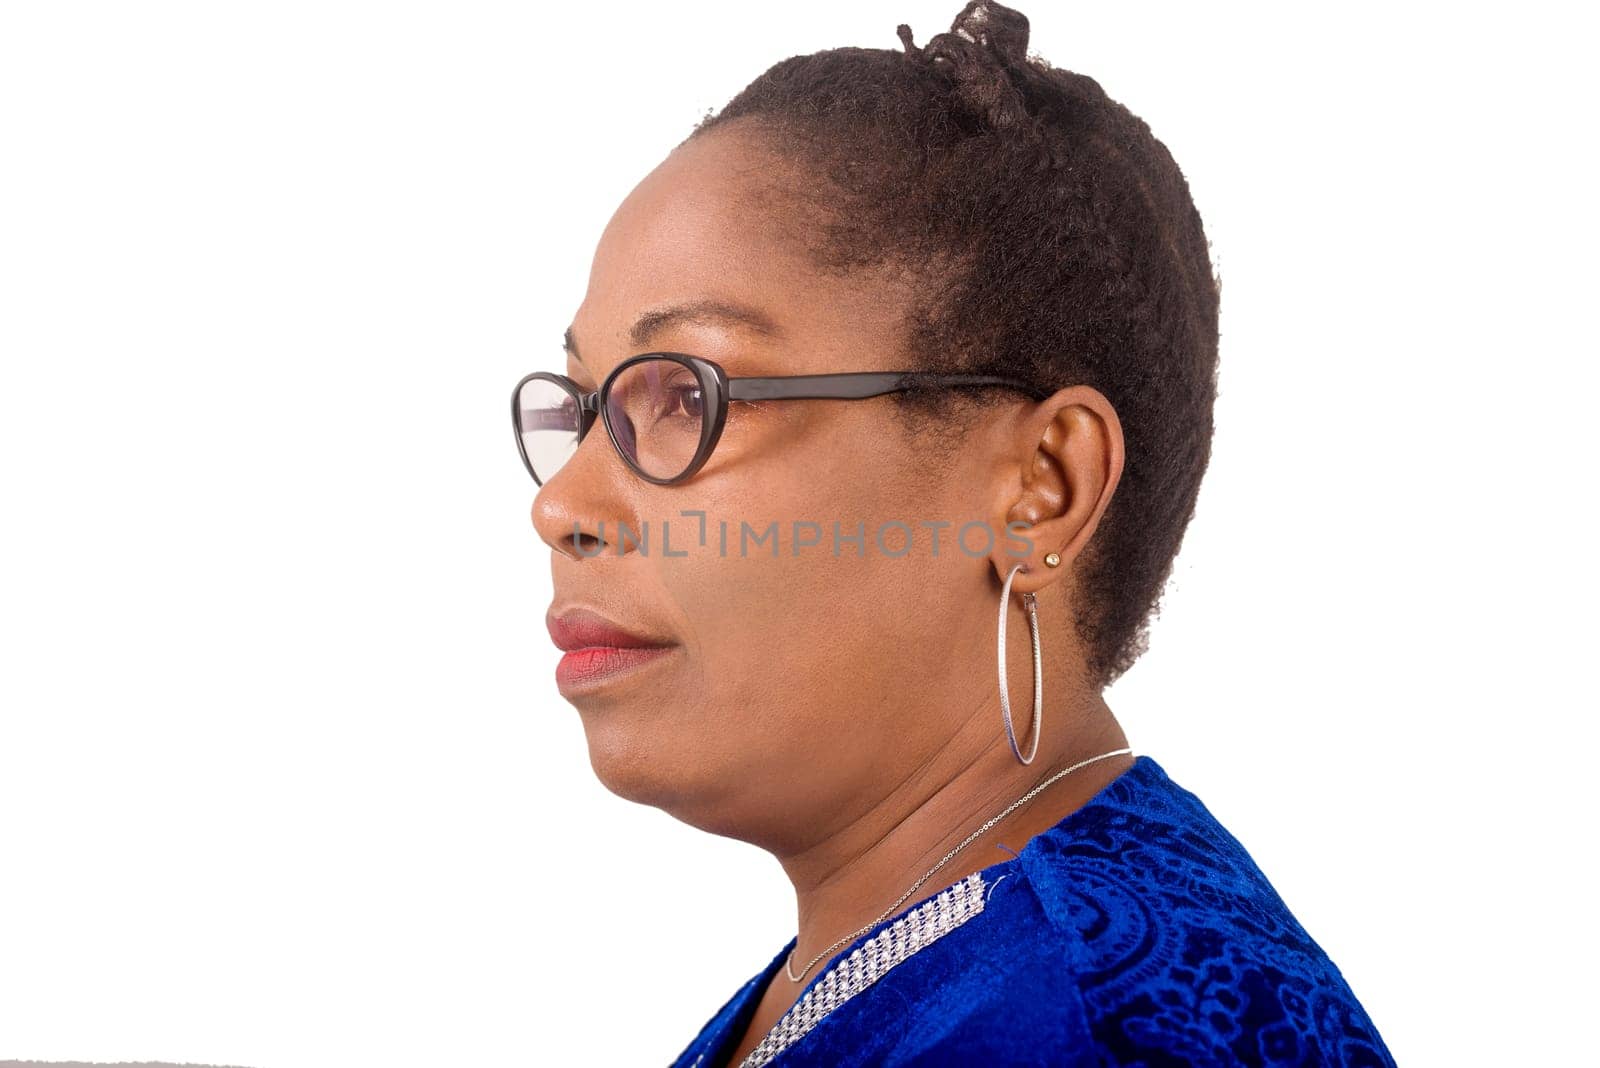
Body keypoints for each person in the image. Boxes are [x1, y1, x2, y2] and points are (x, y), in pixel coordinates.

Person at [512, 2, 1396, 1064]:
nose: (561, 505)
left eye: (692, 395)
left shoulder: (1089, 1032)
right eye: (583, 403)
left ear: (1042, 486)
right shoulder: (910, 962)